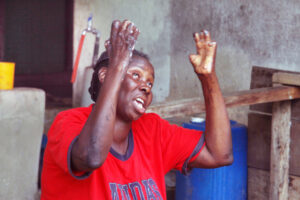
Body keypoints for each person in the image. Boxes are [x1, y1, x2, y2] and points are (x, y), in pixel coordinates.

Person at [41, 20, 233, 200]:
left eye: (150, 82)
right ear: (105, 75)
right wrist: (118, 66)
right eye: (135, 75)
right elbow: (91, 157)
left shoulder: (153, 130)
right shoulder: (67, 122)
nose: (146, 87)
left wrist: (208, 78)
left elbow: (219, 154)